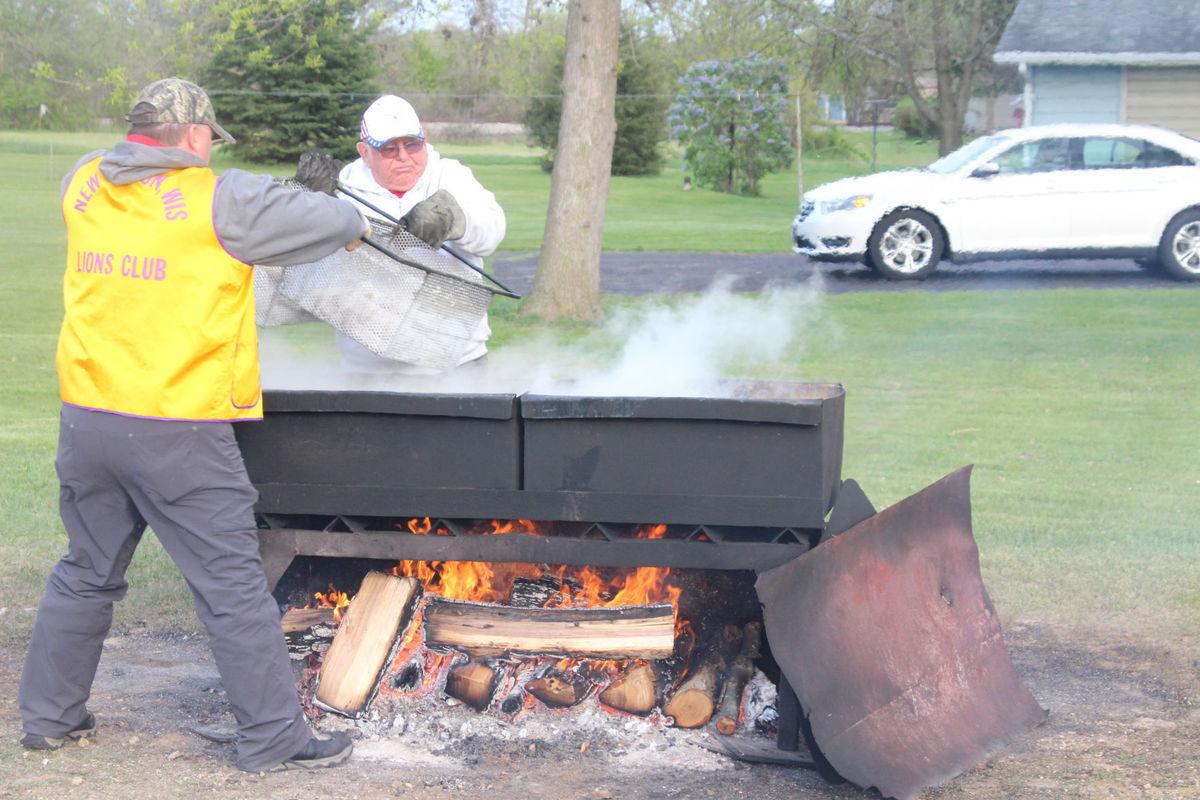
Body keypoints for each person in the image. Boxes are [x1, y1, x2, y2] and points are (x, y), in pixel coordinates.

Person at [18, 77, 371, 773]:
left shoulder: (83, 179)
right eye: (209, 136)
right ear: (193, 134)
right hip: (176, 427)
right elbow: (335, 226)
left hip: (89, 418)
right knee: (233, 585)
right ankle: (274, 735)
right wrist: (319, 202)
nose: (211, 148)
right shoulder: (221, 196)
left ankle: (48, 719)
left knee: (86, 571)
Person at [337, 94, 506, 372]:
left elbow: (493, 230)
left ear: (424, 141)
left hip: (456, 362)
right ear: (365, 152)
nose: (404, 157)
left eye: (412, 145)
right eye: (389, 148)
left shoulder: (451, 176)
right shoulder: (345, 192)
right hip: (367, 369)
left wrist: (455, 219)